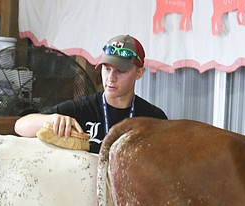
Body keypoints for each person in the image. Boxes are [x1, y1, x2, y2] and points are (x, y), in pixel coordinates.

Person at [14, 35, 167, 153]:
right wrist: (52, 119)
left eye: (121, 71)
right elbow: (20, 126)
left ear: (139, 73)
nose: (111, 78)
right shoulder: (81, 109)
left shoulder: (154, 118)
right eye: (106, 69)